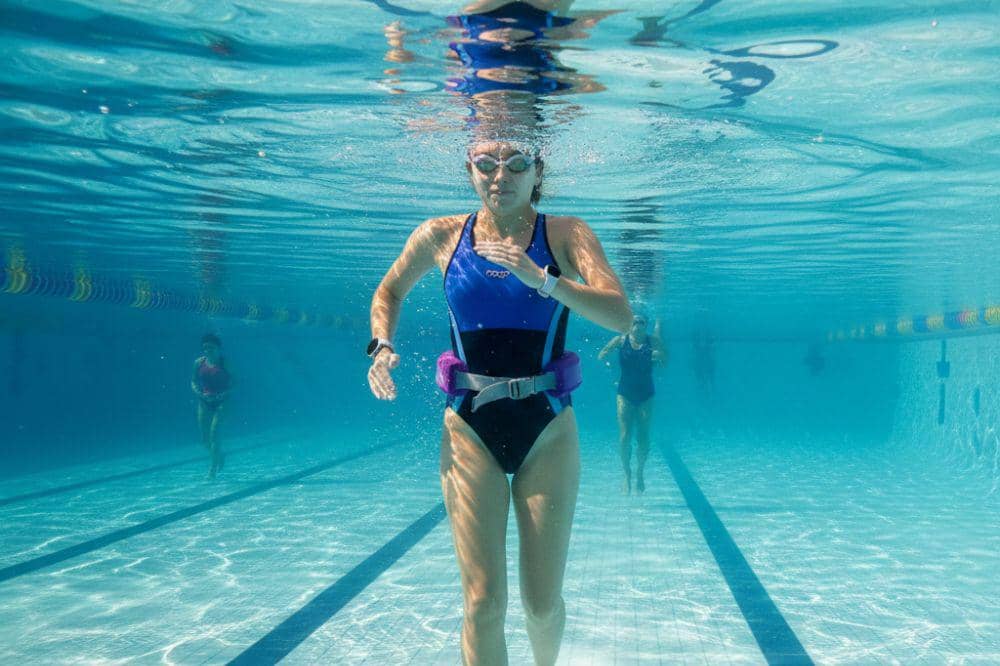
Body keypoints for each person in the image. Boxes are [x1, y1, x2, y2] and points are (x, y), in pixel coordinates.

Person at [367, 140, 631, 665]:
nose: (499, 176)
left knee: (541, 604)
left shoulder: (566, 234)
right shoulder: (440, 234)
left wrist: (544, 280)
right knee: (483, 605)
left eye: (516, 165)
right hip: (468, 427)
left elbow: (620, 316)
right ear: (469, 170)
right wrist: (381, 344)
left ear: (538, 171)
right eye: (486, 164)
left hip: (548, 428)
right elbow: (390, 291)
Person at [598, 315, 665, 494]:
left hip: (646, 395)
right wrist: (610, 375)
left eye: (641, 322)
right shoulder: (620, 340)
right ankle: (626, 474)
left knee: (643, 436)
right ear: (629, 325)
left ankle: (640, 473)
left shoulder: (653, 341)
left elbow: (665, 361)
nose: (637, 325)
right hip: (624, 394)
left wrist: (658, 357)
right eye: (634, 322)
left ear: (646, 326)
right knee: (625, 435)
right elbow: (601, 355)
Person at [190, 333, 230, 478]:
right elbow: (193, 381)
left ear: (218, 348)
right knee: (204, 440)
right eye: (205, 348)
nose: (207, 350)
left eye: (211, 348)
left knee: (214, 435)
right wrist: (198, 393)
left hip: (222, 402)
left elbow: (235, 382)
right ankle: (219, 455)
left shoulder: (225, 363)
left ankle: (212, 469)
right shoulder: (198, 363)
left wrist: (224, 394)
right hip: (204, 402)